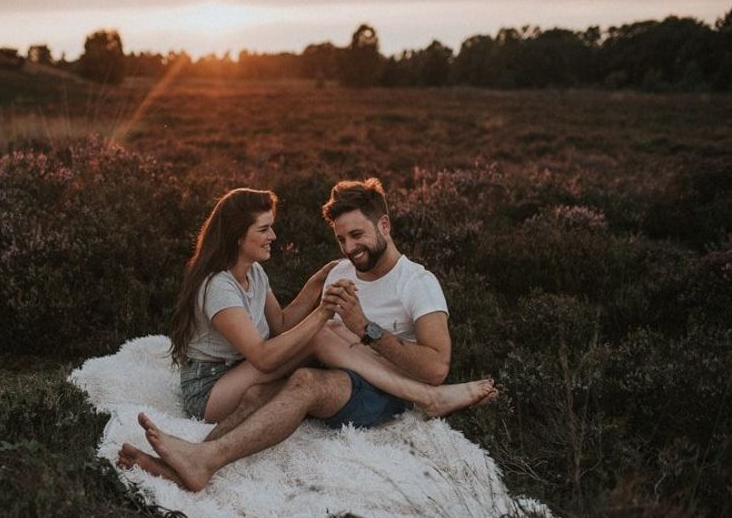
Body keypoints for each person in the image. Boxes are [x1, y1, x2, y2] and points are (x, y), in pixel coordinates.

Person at [119, 181, 496, 491]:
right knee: (260, 391)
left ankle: (202, 459)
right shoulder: (338, 273)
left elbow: (437, 367)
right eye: (341, 239)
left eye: (357, 235)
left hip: (385, 391)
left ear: (384, 226)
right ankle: (197, 459)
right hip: (318, 380)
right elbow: (286, 335)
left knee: (306, 368)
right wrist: (323, 298)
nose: (349, 249)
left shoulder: (418, 283)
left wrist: (366, 328)